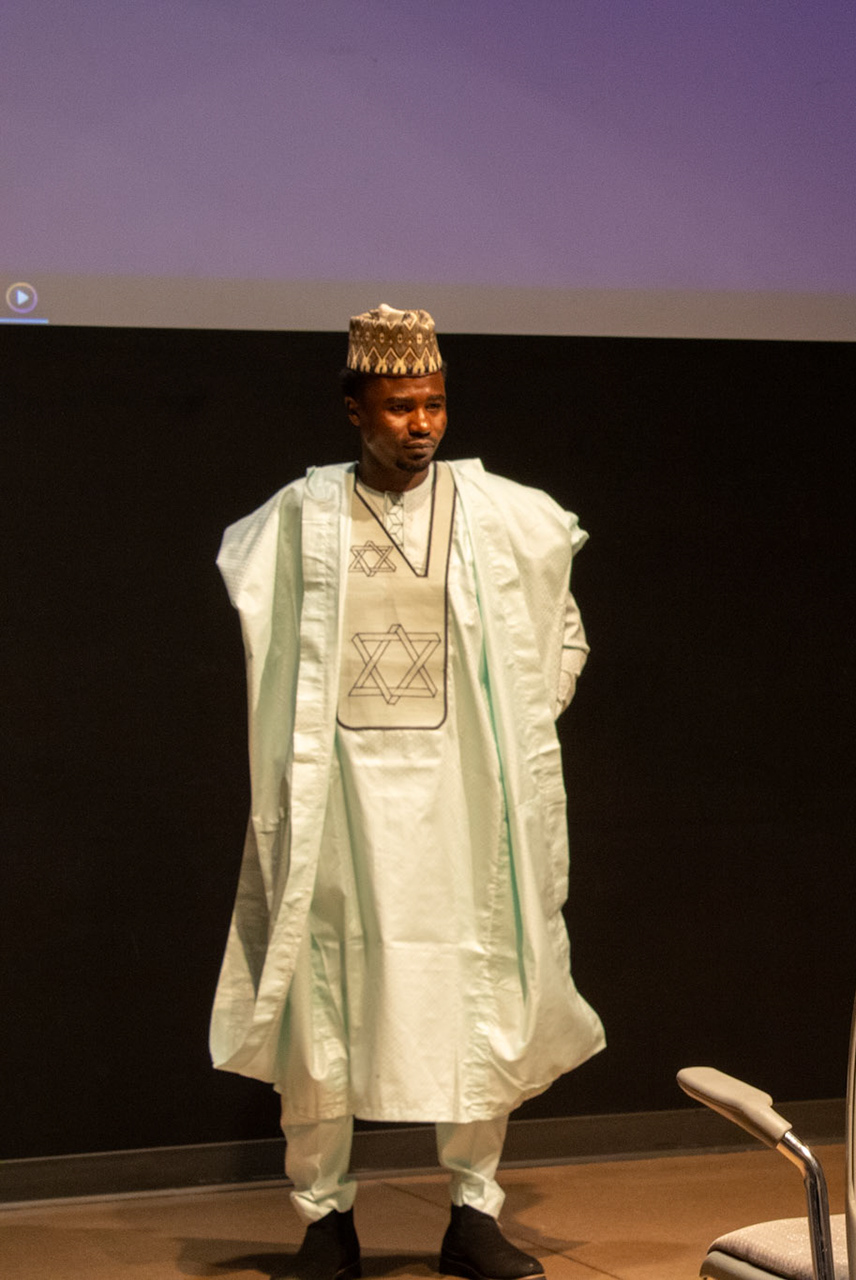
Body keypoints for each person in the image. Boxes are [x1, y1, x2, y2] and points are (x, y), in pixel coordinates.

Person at [211, 305, 603, 1280]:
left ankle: (472, 1210)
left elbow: (565, 634)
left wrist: (516, 730)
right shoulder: (299, 519)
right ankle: (324, 1218)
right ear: (355, 409)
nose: (419, 423)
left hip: (465, 809)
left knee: (480, 986)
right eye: (398, 406)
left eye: (432, 403)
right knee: (323, 1002)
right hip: (342, 807)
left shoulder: (503, 513)